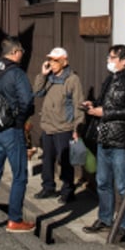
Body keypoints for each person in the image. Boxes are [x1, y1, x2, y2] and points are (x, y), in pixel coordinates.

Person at [82, 44, 125, 242]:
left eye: (112, 57)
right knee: (102, 182)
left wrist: (105, 113)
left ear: (123, 61)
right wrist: (93, 105)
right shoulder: (109, 79)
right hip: (104, 136)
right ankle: (105, 218)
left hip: (121, 138)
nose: (109, 61)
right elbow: (102, 101)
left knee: (124, 185)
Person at [0, 37, 36, 233]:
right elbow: (27, 101)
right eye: (22, 51)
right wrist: (19, 120)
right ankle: (15, 219)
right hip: (12, 130)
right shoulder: (16, 73)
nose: (22, 55)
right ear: (14, 52)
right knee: (19, 175)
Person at [31, 46, 84, 202]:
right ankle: (48, 187)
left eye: (55, 61)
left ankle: (68, 190)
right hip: (48, 125)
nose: (51, 63)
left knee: (65, 160)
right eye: (50, 60)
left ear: (64, 61)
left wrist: (77, 127)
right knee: (47, 158)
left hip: (63, 126)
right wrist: (43, 74)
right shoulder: (50, 78)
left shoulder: (72, 79)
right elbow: (37, 92)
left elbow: (78, 104)